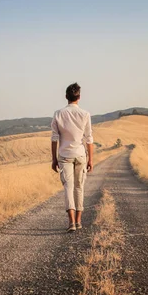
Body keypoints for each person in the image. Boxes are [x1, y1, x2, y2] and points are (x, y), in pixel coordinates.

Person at [51, 82, 94, 232]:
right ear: (79, 97)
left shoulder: (58, 114)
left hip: (64, 155)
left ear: (66, 97)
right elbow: (89, 139)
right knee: (79, 187)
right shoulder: (85, 114)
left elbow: (54, 138)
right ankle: (79, 221)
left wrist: (54, 159)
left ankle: (71, 223)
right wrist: (91, 160)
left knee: (68, 188)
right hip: (80, 154)